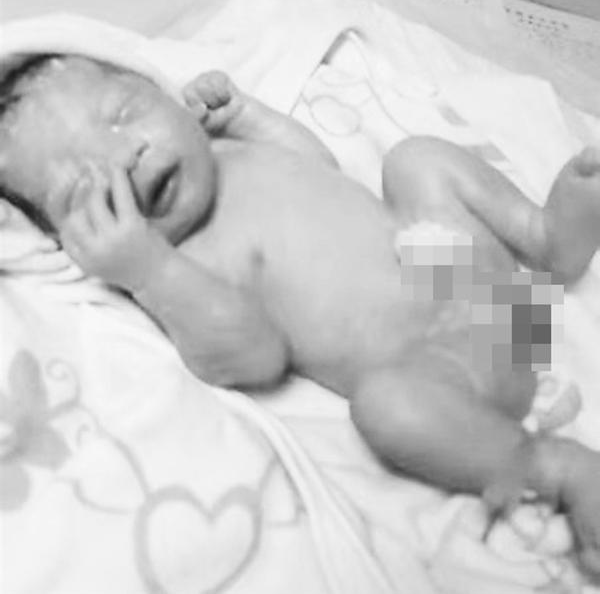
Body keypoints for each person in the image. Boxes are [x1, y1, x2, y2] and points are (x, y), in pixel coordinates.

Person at [2, 54, 600, 575]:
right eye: (83, 186)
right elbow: (255, 356)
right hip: (449, 365)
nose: (123, 156)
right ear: (68, 240)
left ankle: (542, 235)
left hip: (478, 284)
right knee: (388, 407)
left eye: (123, 114)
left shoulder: (227, 153)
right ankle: (547, 464)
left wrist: (248, 117)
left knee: (413, 162)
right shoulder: (178, 266)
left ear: (165, 92)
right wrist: (146, 269)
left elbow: (318, 166)